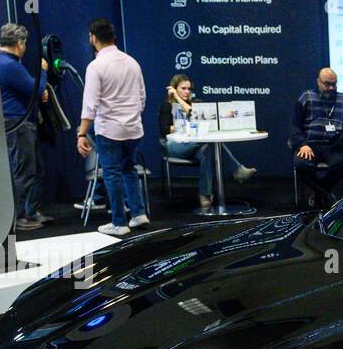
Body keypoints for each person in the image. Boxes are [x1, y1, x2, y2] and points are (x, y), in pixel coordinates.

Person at [76, 19, 148, 236]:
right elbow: (142, 97)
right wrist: (131, 116)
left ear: (93, 38)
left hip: (110, 130)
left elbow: (90, 105)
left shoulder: (96, 66)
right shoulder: (132, 62)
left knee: (112, 173)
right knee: (129, 170)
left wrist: (81, 134)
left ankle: (118, 221)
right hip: (134, 129)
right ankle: (138, 214)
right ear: (113, 37)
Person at [158, 74, 255, 210]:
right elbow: (165, 130)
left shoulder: (196, 103)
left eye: (189, 89)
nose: (186, 92)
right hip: (175, 146)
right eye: (183, 88)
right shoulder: (166, 106)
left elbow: (196, 116)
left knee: (208, 149)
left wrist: (189, 122)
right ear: (174, 89)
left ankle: (205, 195)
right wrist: (178, 102)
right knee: (209, 145)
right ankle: (238, 170)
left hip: (195, 145)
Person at [0, 23, 50, 231]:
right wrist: (43, 73)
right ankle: (19, 217)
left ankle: (31, 211)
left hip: (13, 121)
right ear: (19, 44)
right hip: (18, 123)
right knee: (24, 171)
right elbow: (37, 89)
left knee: (34, 168)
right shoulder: (11, 66)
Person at [290, 67, 343, 208]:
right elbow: (294, 126)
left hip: (335, 145)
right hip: (310, 145)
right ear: (318, 82)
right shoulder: (306, 97)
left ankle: (318, 194)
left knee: (341, 164)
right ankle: (324, 195)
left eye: (334, 84)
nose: (331, 87)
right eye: (327, 84)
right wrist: (302, 144)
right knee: (301, 164)